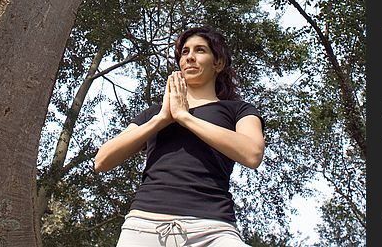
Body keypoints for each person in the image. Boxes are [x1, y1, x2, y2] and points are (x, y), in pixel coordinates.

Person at [94, 25, 265, 247]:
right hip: (144, 226)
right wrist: (162, 119)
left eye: (200, 50)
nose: (190, 57)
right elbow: (102, 161)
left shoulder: (239, 110)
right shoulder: (155, 113)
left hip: (213, 229)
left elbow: (252, 154)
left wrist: (185, 118)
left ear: (218, 63)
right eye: (185, 52)